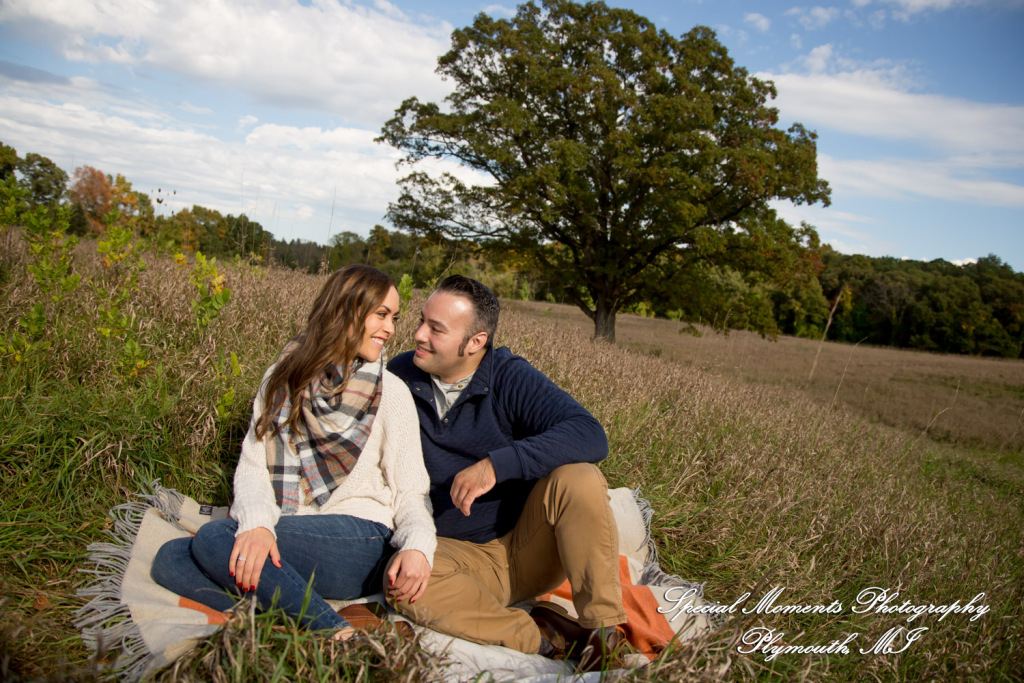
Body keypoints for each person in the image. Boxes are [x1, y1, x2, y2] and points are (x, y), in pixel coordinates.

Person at [152, 265, 436, 640]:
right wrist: (257, 525)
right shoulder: (283, 377)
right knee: (169, 559)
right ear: (345, 311)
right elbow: (253, 467)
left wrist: (418, 545)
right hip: (294, 527)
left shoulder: (391, 393)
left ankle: (332, 633)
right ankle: (305, 620)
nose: (391, 329)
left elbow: (411, 491)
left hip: (361, 540)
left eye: (394, 317)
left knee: (211, 540)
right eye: (381, 315)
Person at [386, 275, 627, 669]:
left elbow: (590, 434)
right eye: (421, 321)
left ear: (475, 342)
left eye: (436, 329)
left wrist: (497, 465)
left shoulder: (508, 376)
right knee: (401, 582)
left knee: (579, 478)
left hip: (526, 547)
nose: (418, 334)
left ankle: (603, 633)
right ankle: (545, 637)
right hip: (454, 557)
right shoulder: (401, 375)